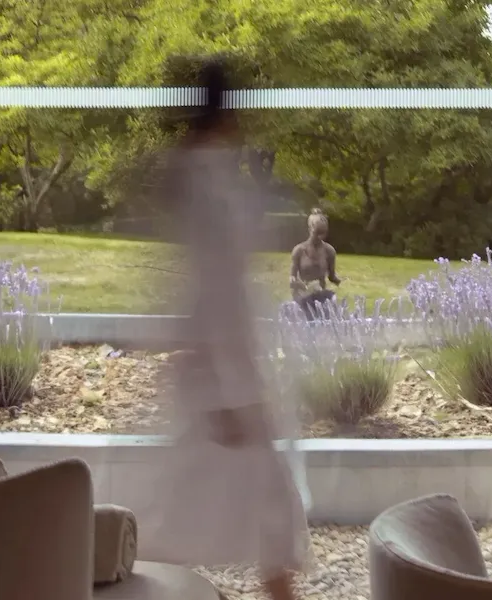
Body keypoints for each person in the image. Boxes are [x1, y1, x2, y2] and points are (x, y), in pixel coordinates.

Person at [139, 57, 309, 600]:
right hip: (222, 368)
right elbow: (215, 289)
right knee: (247, 499)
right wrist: (229, 390)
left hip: (223, 364)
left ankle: (132, 569)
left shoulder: (205, 178)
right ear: (227, 113)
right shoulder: (207, 186)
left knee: (211, 498)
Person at [289, 208, 342, 320]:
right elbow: (292, 277)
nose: (320, 237)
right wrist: (295, 281)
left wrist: (337, 280)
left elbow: (331, 276)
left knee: (332, 301)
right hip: (303, 295)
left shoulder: (329, 251)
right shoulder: (299, 250)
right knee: (307, 311)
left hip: (320, 294)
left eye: (323, 233)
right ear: (310, 229)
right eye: (317, 233)